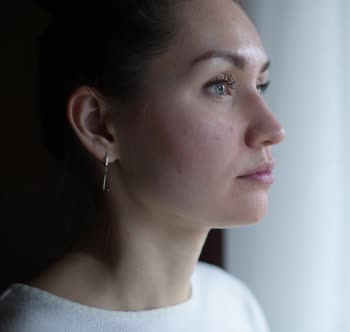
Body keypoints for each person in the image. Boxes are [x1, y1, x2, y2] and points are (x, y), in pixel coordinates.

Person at [0, 0, 285, 331]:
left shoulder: (235, 305)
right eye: (220, 86)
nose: (274, 129)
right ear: (100, 125)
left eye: (261, 85)